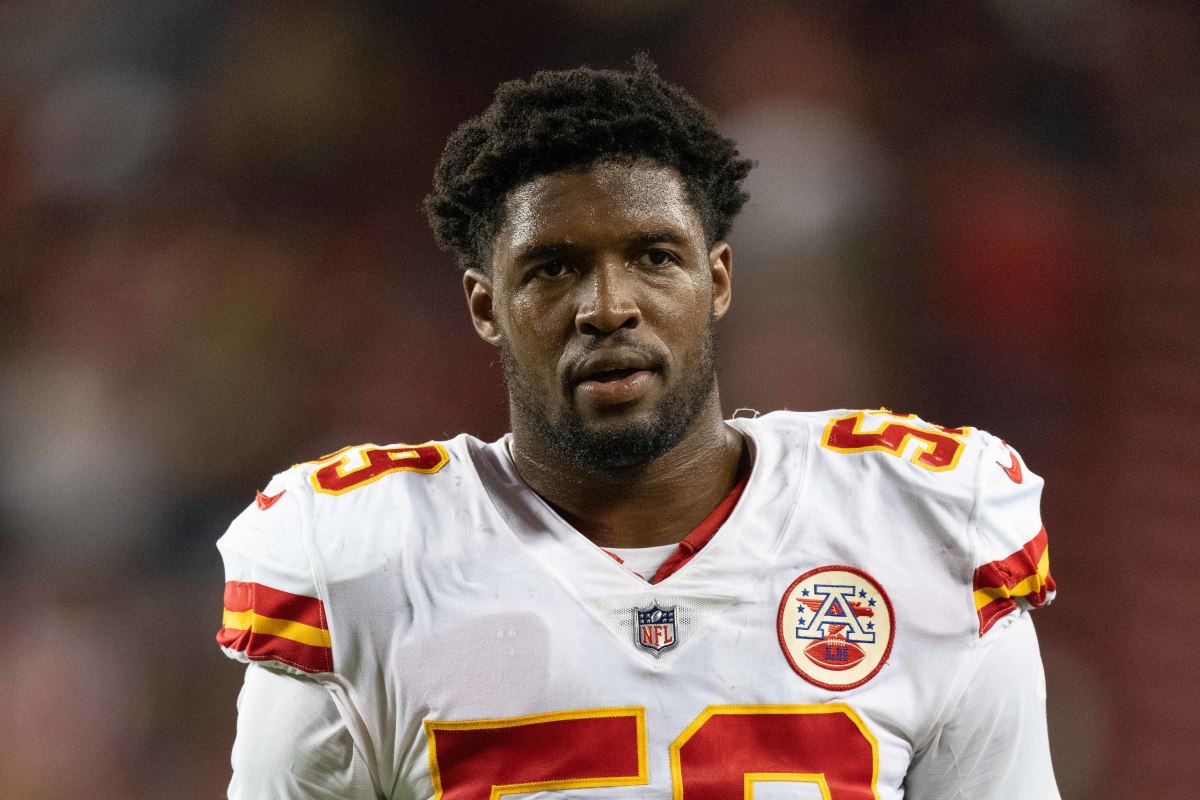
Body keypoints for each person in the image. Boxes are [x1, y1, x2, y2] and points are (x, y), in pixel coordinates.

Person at [216, 57, 1059, 799]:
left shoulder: (919, 527)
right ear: (485, 306)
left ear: (718, 279)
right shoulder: (361, 563)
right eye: (553, 269)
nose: (609, 308)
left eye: (654, 257)